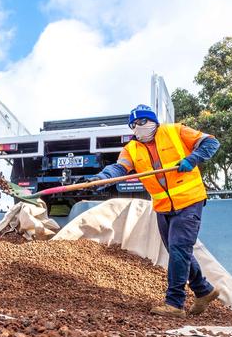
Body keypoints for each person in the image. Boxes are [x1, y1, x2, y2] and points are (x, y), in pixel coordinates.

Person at [90, 104, 221, 317]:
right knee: (178, 251)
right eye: (134, 125)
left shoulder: (175, 131)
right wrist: (102, 178)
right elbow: (118, 168)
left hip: (189, 201)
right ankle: (204, 290)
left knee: (179, 248)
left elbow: (211, 142)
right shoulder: (131, 149)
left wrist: (191, 159)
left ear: (152, 121)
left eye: (142, 122)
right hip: (163, 207)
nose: (138, 127)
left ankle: (174, 304)